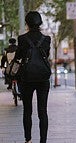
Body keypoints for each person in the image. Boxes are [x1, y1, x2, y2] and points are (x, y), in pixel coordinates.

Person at [15, 11, 51, 143]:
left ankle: (28, 140)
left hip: (27, 78)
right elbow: (45, 55)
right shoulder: (46, 39)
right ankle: (43, 141)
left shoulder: (22, 39)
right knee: (43, 111)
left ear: (27, 23)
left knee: (27, 110)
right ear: (40, 22)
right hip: (43, 78)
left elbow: (19, 56)